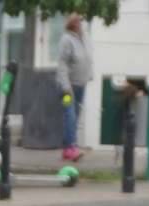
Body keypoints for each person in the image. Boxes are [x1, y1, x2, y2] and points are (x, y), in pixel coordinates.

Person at [57, 15, 93, 160]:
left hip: (81, 84)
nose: (81, 22)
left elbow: (89, 57)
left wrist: (89, 73)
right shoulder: (67, 39)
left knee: (75, 117)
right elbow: (62, 63)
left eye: (83, 19)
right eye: (78, 19)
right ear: (72, 22)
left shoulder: (86, 37)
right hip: (67, 86)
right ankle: (72, 147)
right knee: (69, 116)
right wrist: (66, 85)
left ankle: (66, 148)